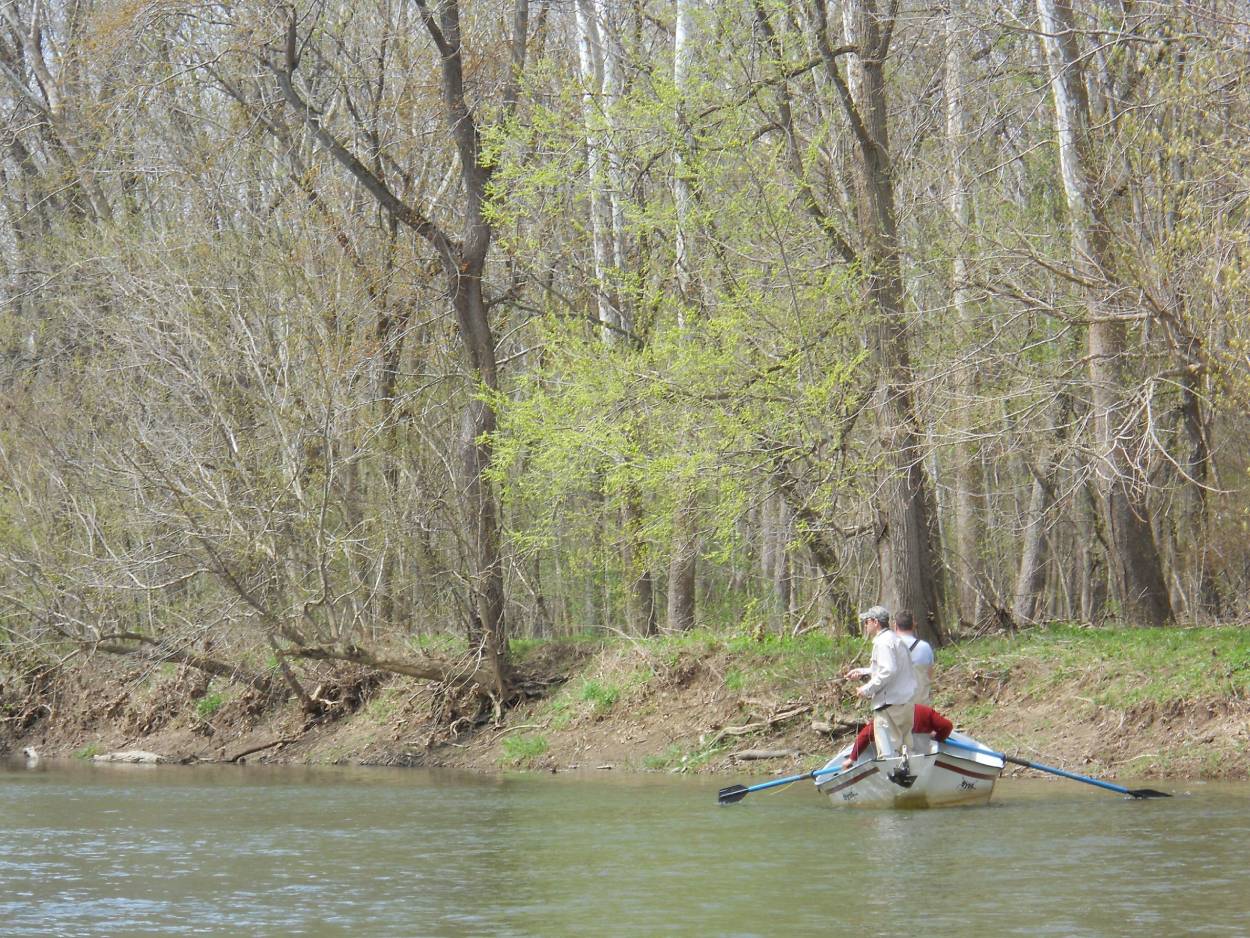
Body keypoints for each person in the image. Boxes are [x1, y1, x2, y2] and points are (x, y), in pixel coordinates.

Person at [844, 604, 918, 760]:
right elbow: (888, 669)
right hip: (904, 703)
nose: (865, 625)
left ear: (875, 622)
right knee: (905, 752)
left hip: (888, 707)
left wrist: (866, 689)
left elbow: (888, 670)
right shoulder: (894, 639)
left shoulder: (882, 642)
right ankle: (910, 782)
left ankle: (894, 782)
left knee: (888, 756)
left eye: (866, 622)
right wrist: (862, 672)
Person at [841, 704, 953, 769]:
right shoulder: (924, 711)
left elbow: (864, 736)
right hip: (922, 756)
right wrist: (938, 738)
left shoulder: (884, 718)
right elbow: (947, 726)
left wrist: (851, 759)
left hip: (897, 758)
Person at [893, 609, 935, 705]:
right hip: (921, 705)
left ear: (895, 626)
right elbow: (929, 675)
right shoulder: (925, 647)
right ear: (913, 625)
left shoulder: (890, 647)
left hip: (897, 707)